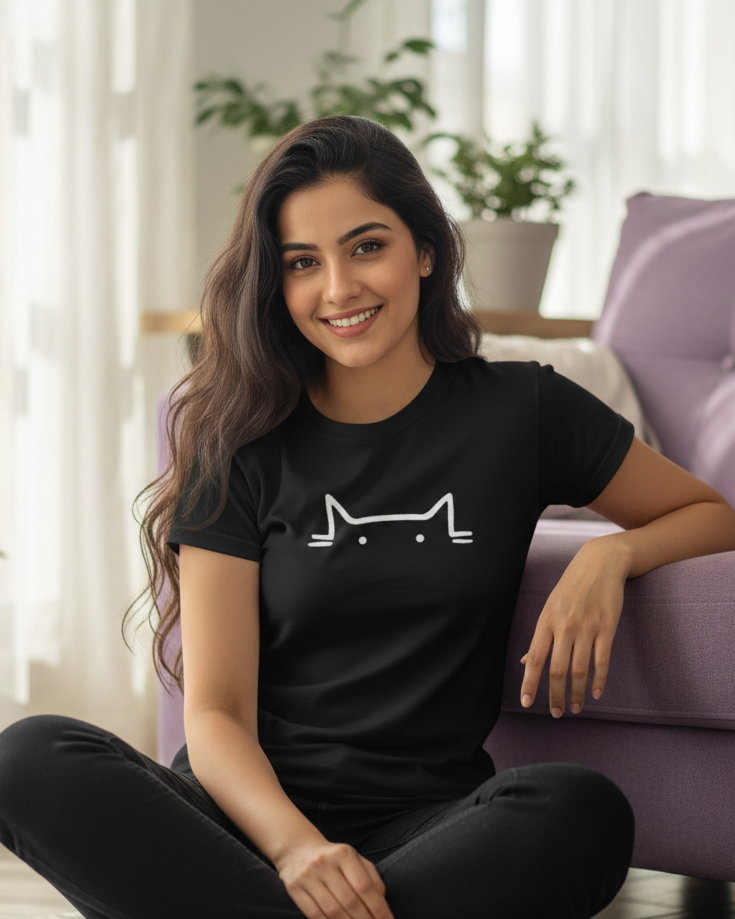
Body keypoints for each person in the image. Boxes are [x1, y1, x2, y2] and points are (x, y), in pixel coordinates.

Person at [1, 116, 734, 919]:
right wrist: (297, 849)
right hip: (247, 823)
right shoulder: (237, 438)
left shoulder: (523, 409)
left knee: (580, 810)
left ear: (424, 249)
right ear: (276, 286)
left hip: (429, 826)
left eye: (366, 246)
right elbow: (213, 713)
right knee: (26, 756)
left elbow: (708, 513)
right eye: (302, 263)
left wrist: (611, 556)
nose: (339, 288)